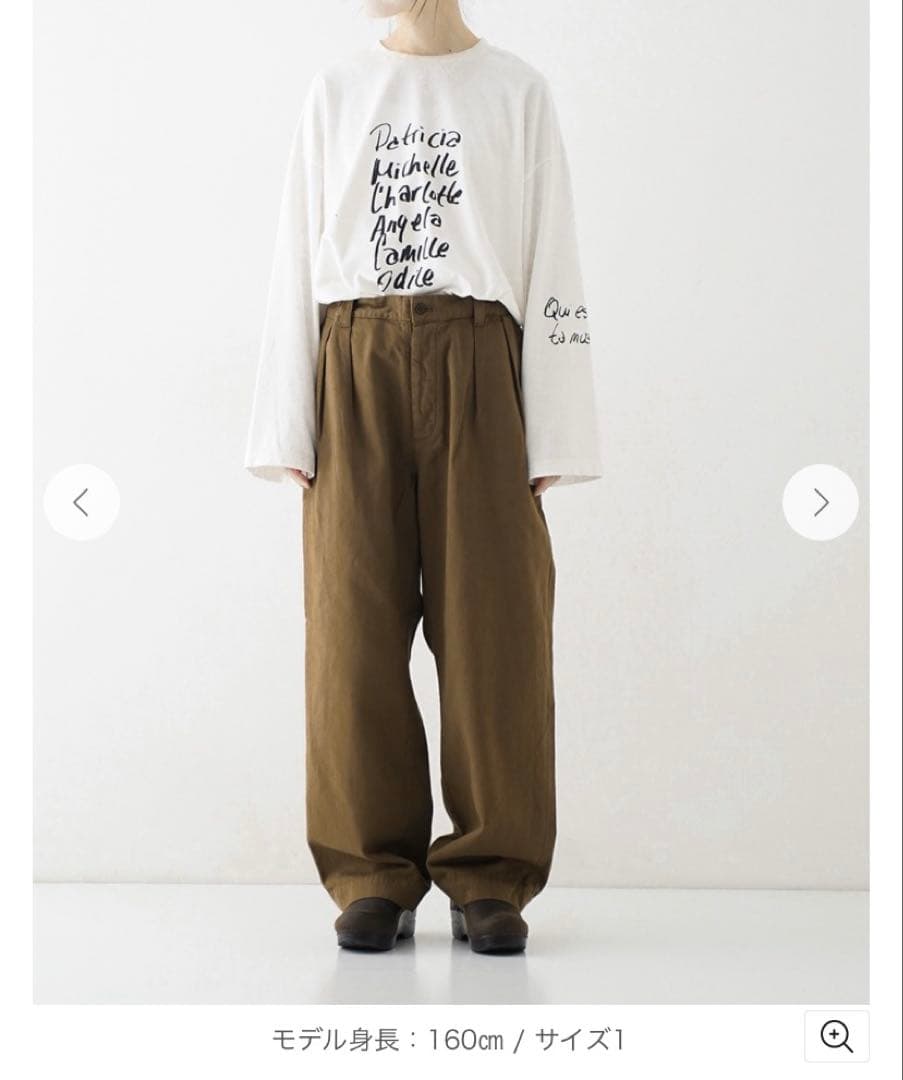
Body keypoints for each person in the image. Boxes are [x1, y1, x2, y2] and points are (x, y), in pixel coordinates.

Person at [245, 0, 602, 955]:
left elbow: (552, 256)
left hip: (480, 357)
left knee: (495, 630)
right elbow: (296, 251)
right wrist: (286, 418)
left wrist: (554, 432)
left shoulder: (515, 91)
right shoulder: (339, 89)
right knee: (350, 631)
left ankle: (491, 872)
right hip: (352, 357)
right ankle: (371, 872)